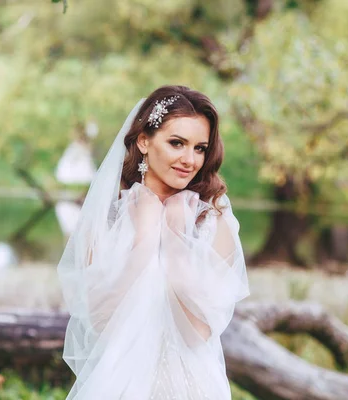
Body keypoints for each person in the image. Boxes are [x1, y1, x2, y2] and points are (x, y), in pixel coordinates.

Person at [57, 85, 250, 399]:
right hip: (118, 385)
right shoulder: (108, 215)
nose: (189, 159)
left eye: (200, 148)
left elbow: (199, 331)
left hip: (193, 387)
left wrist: (175, 239)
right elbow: (100, 325)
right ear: (144, 141)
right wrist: (144, 240)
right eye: (177, 143)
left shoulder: (213, 218)